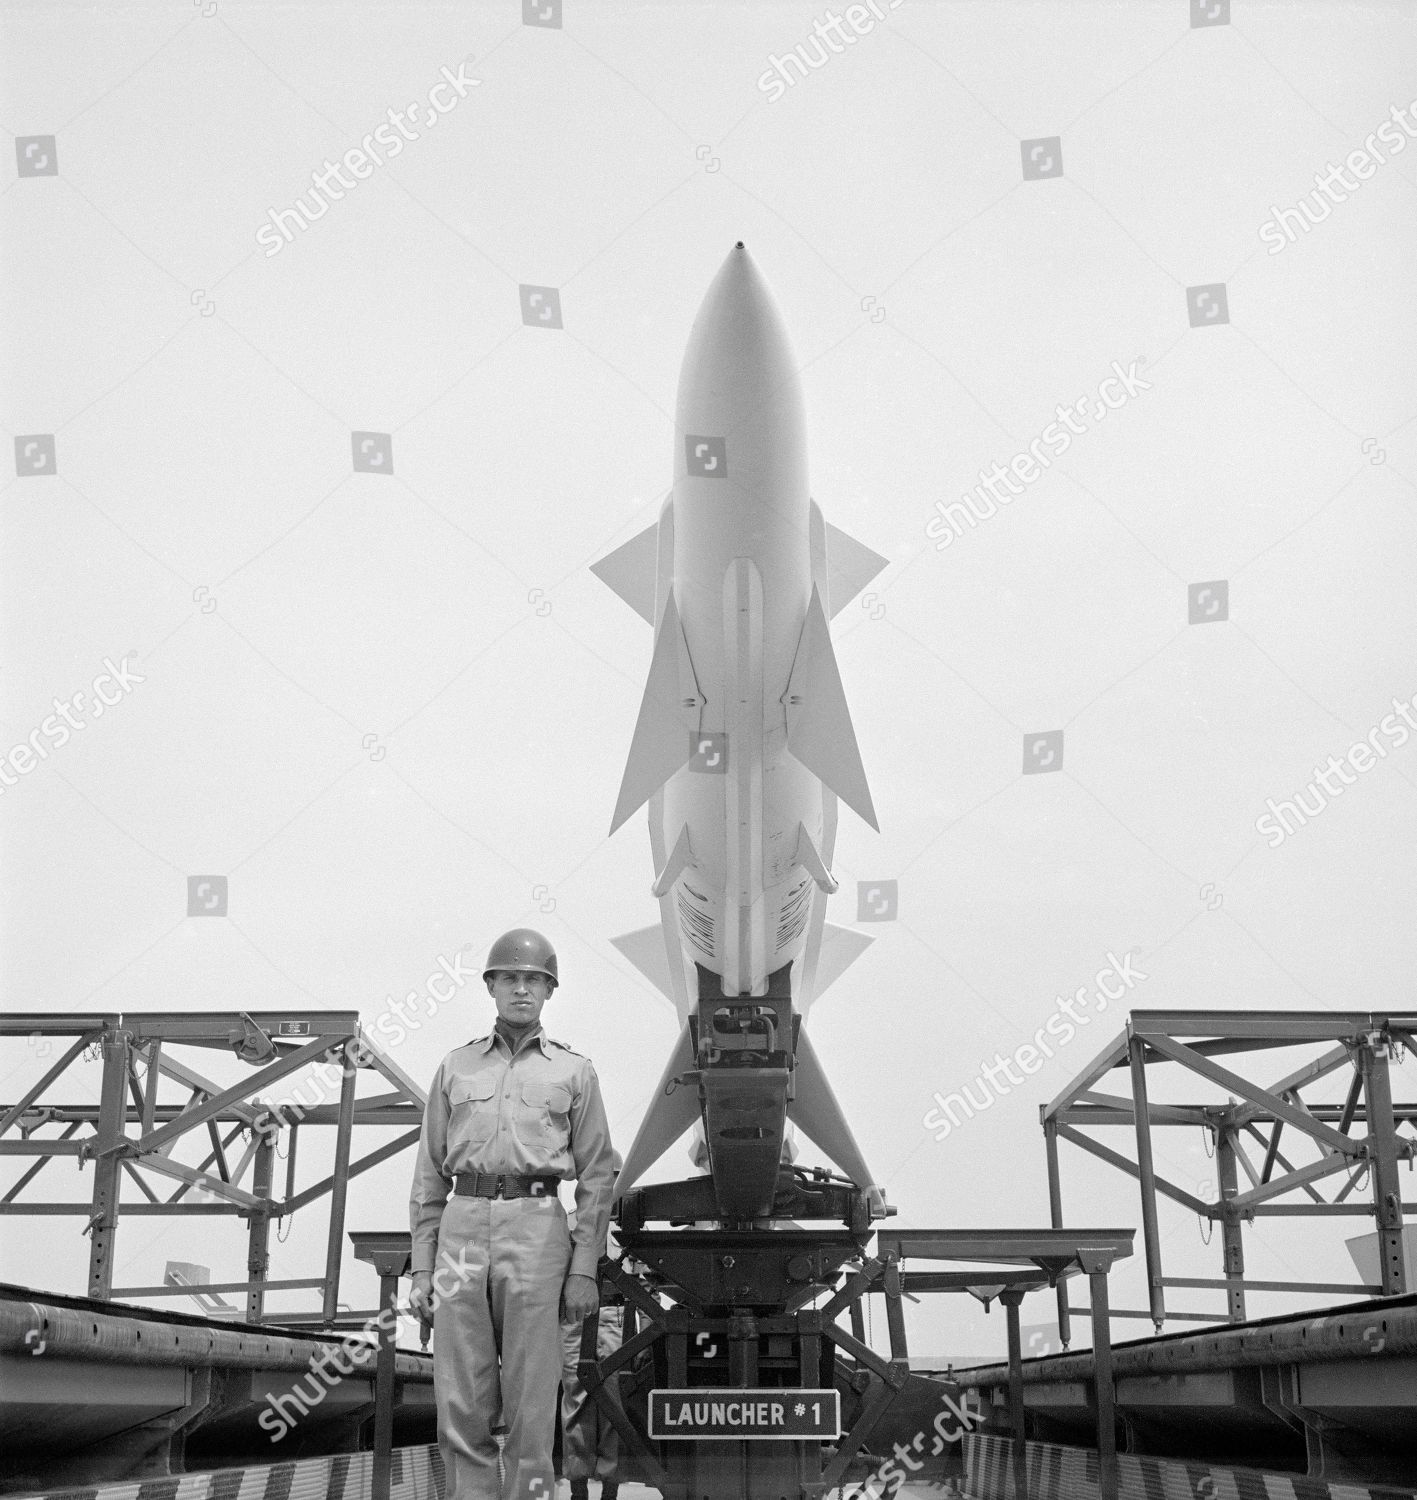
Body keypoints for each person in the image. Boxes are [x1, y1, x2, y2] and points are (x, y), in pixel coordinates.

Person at [409, 929, 616, 1500]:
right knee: (461, 1396)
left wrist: (583, 1268)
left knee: (532, 1398)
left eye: (533, 980)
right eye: (510, 978)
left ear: (549, 991)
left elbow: (598, 1174)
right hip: (463, 1225)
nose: (521, 989)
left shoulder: (574, 1071)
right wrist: (423, 1268)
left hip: (538, 1228)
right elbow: (429, 1174)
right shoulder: (455, 1068)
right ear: (491, 987)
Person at [559, 1152, 625, 1500]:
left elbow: (644, 1286)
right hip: (575, 1320)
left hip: (616, 1316)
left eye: (612, 1176)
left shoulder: (630, 1230)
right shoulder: (567, 1225)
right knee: (577, 1398)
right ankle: (578, 1488)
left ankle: (610, 1489)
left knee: (613, 1402)